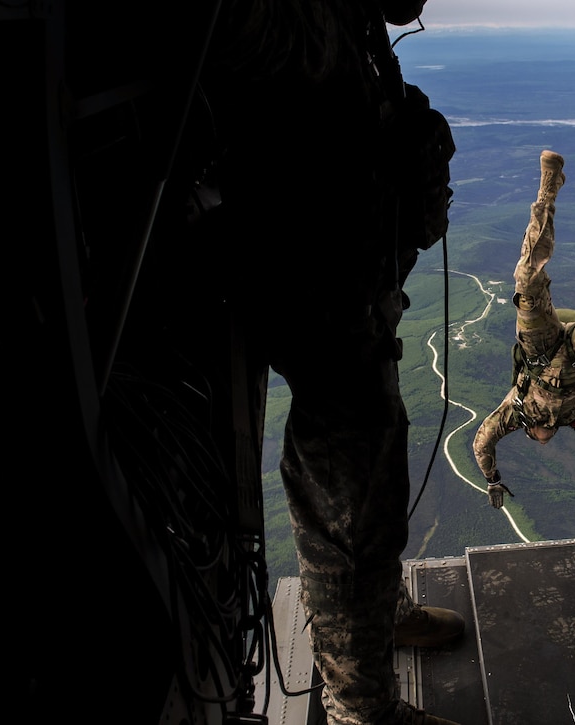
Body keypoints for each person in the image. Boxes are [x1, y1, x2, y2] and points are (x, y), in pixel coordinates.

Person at [205, 1, 464, 723]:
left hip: (341, 285)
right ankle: (360, 706)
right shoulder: (295, 16)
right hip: (308, 286)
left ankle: (375, 618)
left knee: (368, 475)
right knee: (352, 505)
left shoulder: (344, 16)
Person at [472, 150, 575, 515]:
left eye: (537, 440)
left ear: (530, 432)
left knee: (527, 283)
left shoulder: (515, 413)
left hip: (540, 351)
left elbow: (483, 443)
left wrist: (492, 477)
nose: (544, 442)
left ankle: (549, 188)